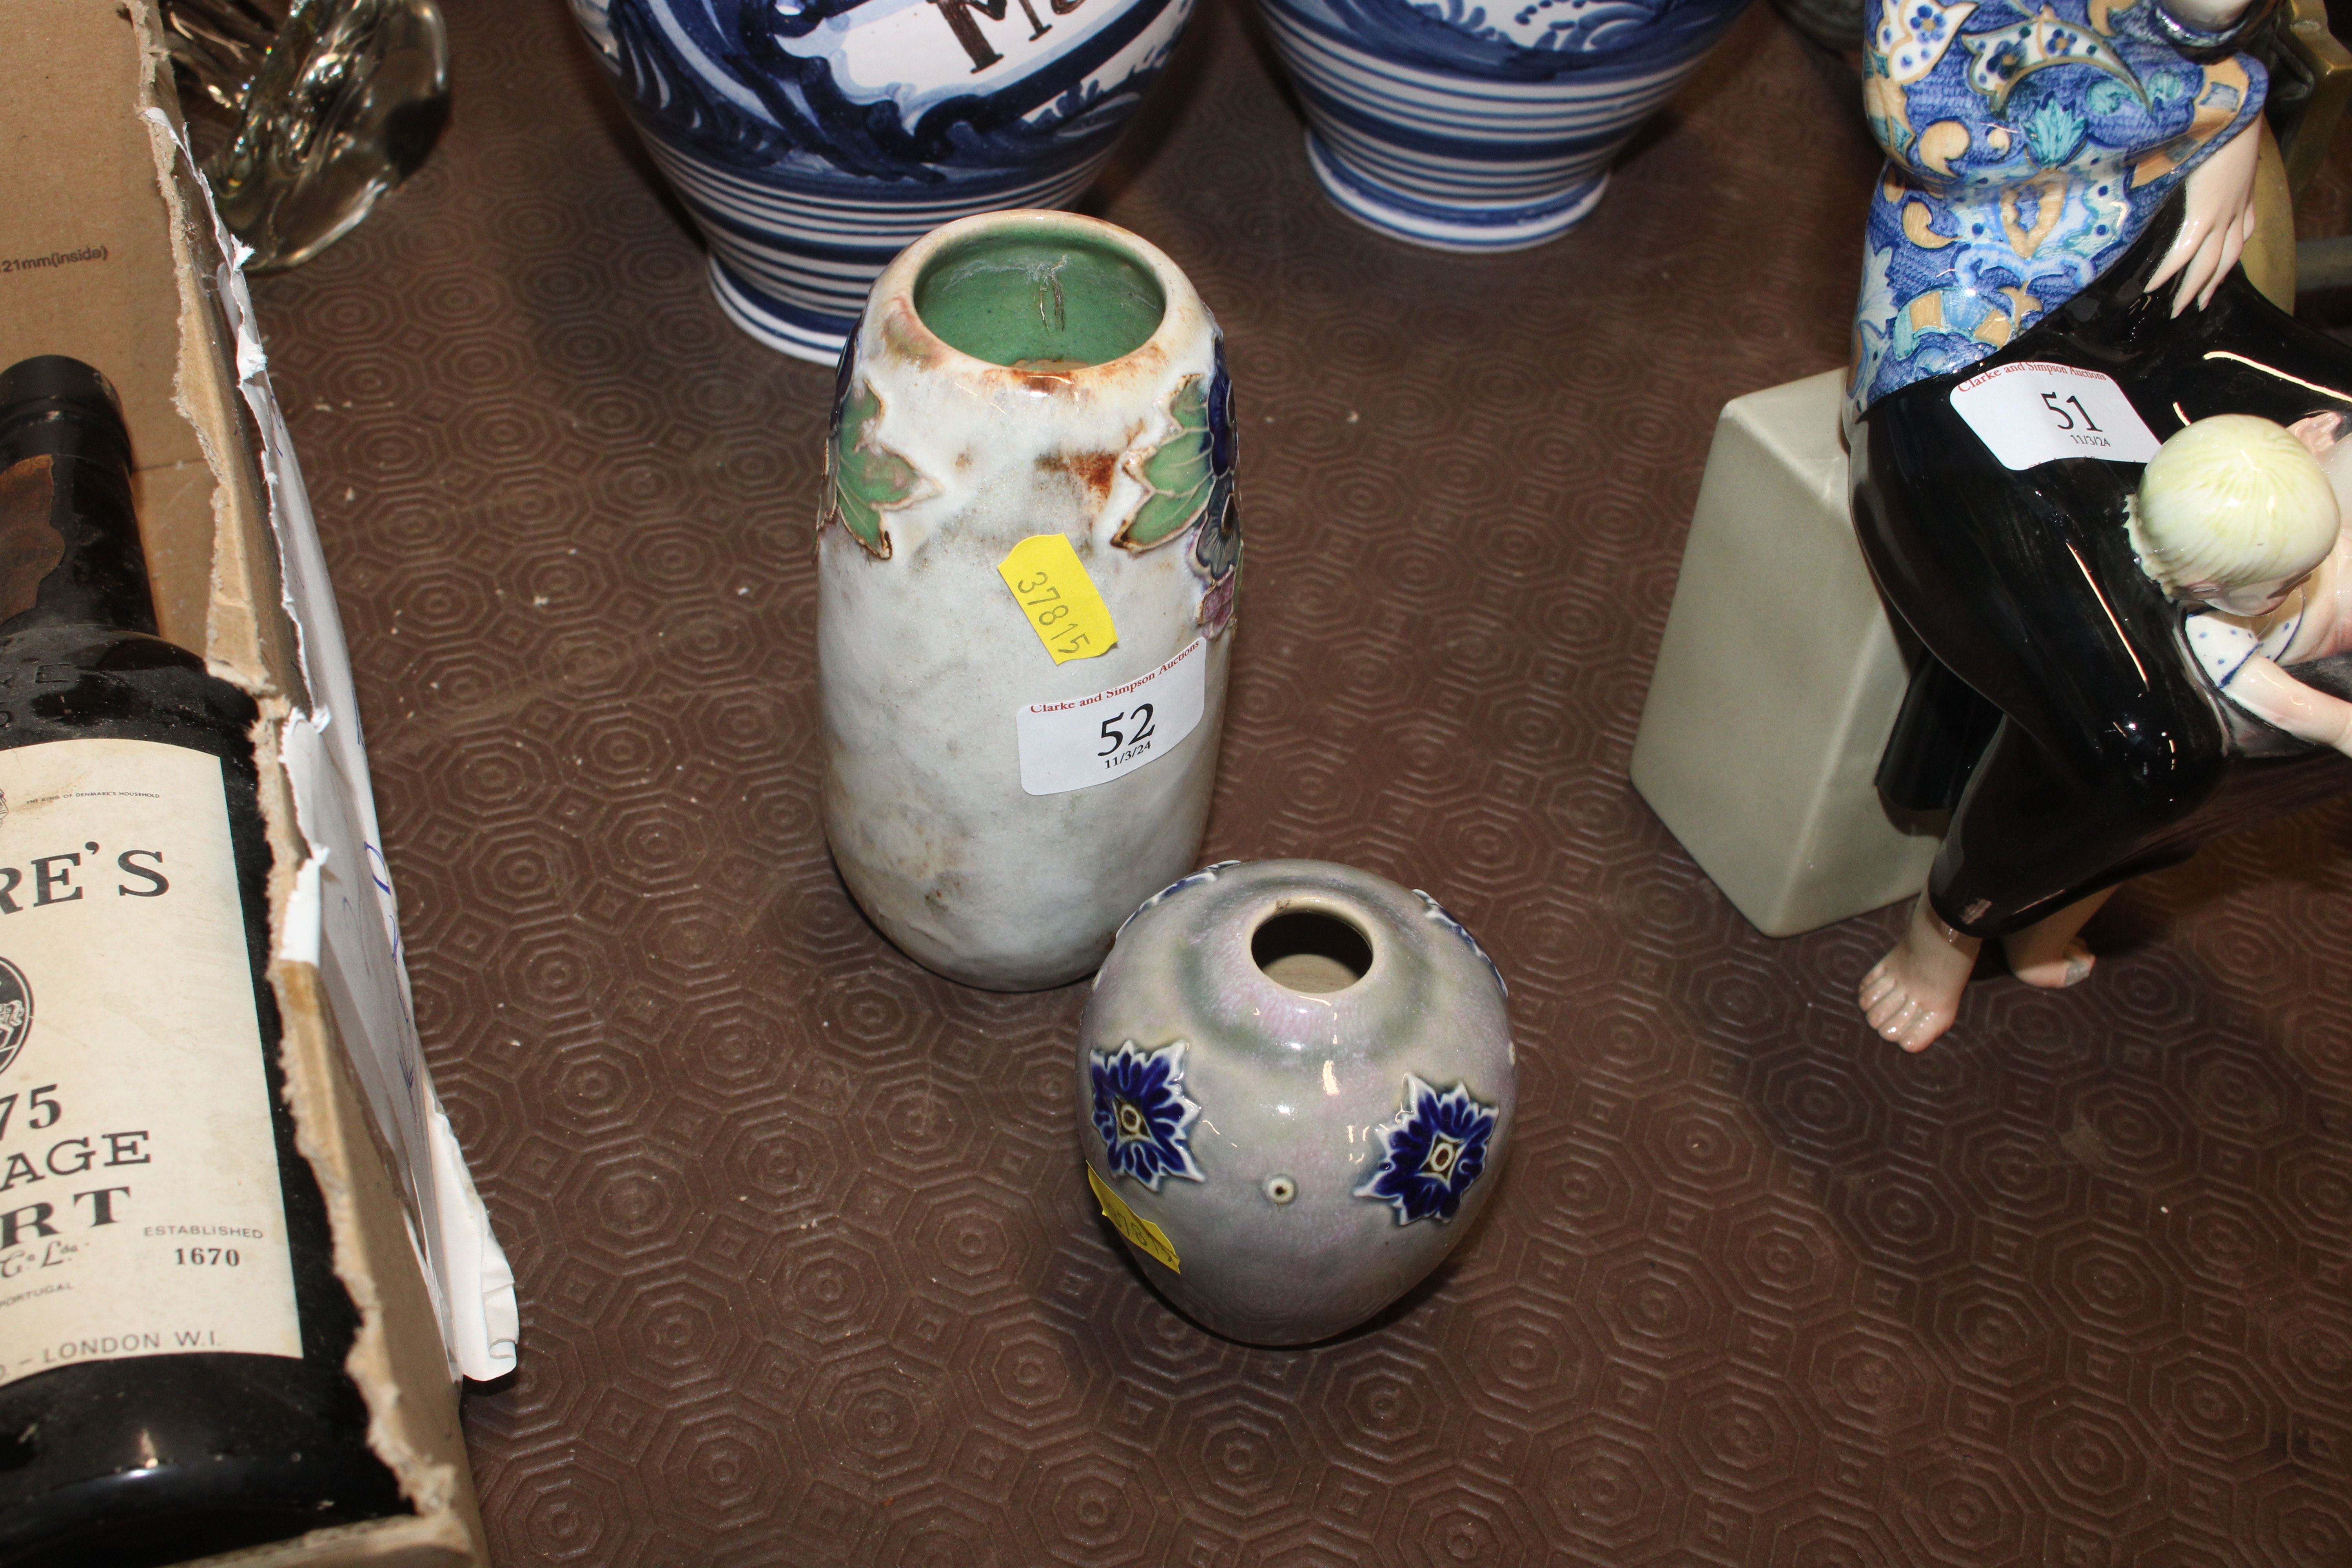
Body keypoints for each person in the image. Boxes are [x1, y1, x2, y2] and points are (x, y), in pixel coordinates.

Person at [1846, 0, 2352, 1049]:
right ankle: (1959, 918)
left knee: (2255, 712)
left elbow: (2215, 39)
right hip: (1972, 337)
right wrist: (2230, 108)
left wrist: (2229, 109)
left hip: (2167, 305)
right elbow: (1936, 126)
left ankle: (2073, 895)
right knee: (2150, 743)